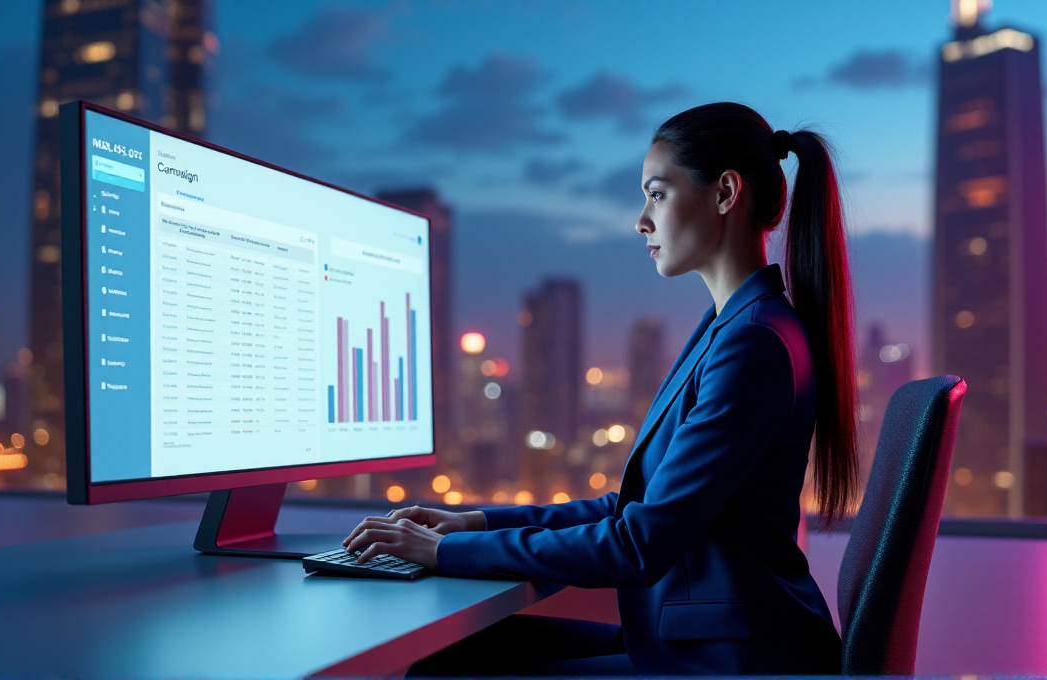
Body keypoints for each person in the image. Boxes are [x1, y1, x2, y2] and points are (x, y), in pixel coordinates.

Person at [342, 102, 860, 676]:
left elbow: (639, 543)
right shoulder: (730, 329)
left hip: (728, 658)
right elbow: (636, 508)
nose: (641, 220)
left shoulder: (755, 342)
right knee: (446, 657)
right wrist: (475, 524)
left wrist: (443, 553)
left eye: (657, 194)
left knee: (441, 672)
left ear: (725, 193)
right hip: (697, 639)